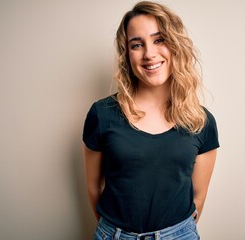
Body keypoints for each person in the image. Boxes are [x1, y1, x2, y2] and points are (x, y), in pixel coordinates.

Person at [83, 1, 219, 239]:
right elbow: (94, 187)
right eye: (137, 44)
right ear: (127, 54)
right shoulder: (101, 114)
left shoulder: (202, 121)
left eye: (159, 40)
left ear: (176, 45)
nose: (149, 53)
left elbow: (198, 196)